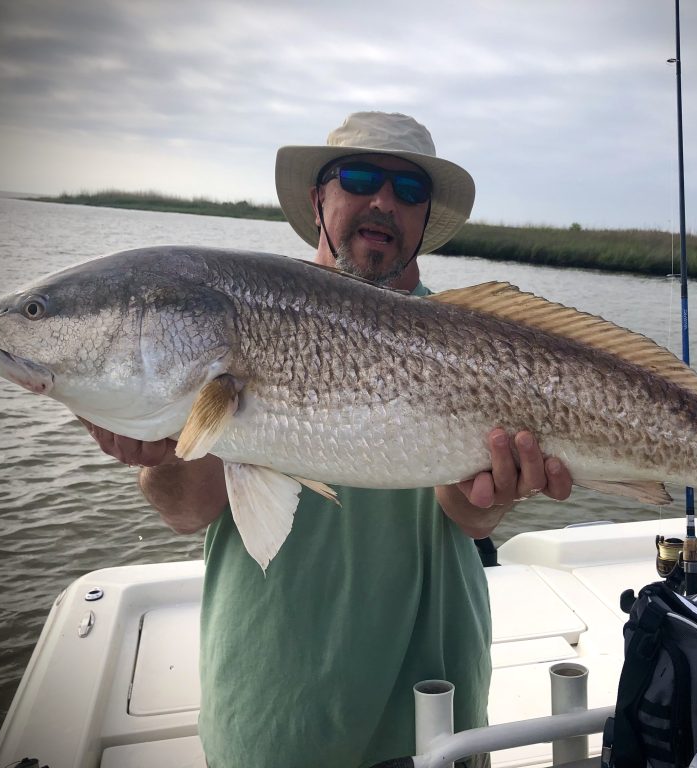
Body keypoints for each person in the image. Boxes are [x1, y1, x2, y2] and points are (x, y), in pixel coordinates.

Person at [81, 111, 573, 767]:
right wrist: (167, 454)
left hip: (435, 711)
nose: (383, 202)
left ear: (426, 218)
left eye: (409, 190)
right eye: (362, 178)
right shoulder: (235, 314)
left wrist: (496, 493)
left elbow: (470, 518)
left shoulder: (474, 339)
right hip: (275, 717)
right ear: (319, 198)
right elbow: (188, 510)